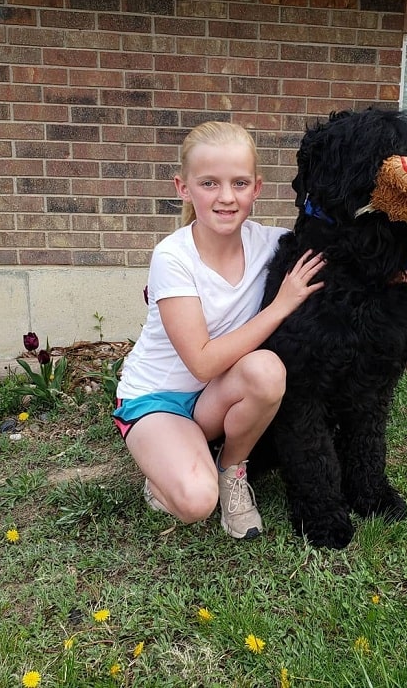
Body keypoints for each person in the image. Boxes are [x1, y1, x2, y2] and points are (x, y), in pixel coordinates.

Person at [113, 121, 325, 540]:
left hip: (213, 399)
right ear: (183, 188)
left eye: (239, 183)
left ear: (257, 188)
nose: (226, 197)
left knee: (266, 370)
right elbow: (203, 360)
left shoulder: (272, 243)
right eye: (209, 183)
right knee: (195, 503)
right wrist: (281, 305)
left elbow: (344, 255)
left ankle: (232, 469)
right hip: (158, 399)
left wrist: (400, 270)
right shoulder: (173, 257)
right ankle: (164, 472)